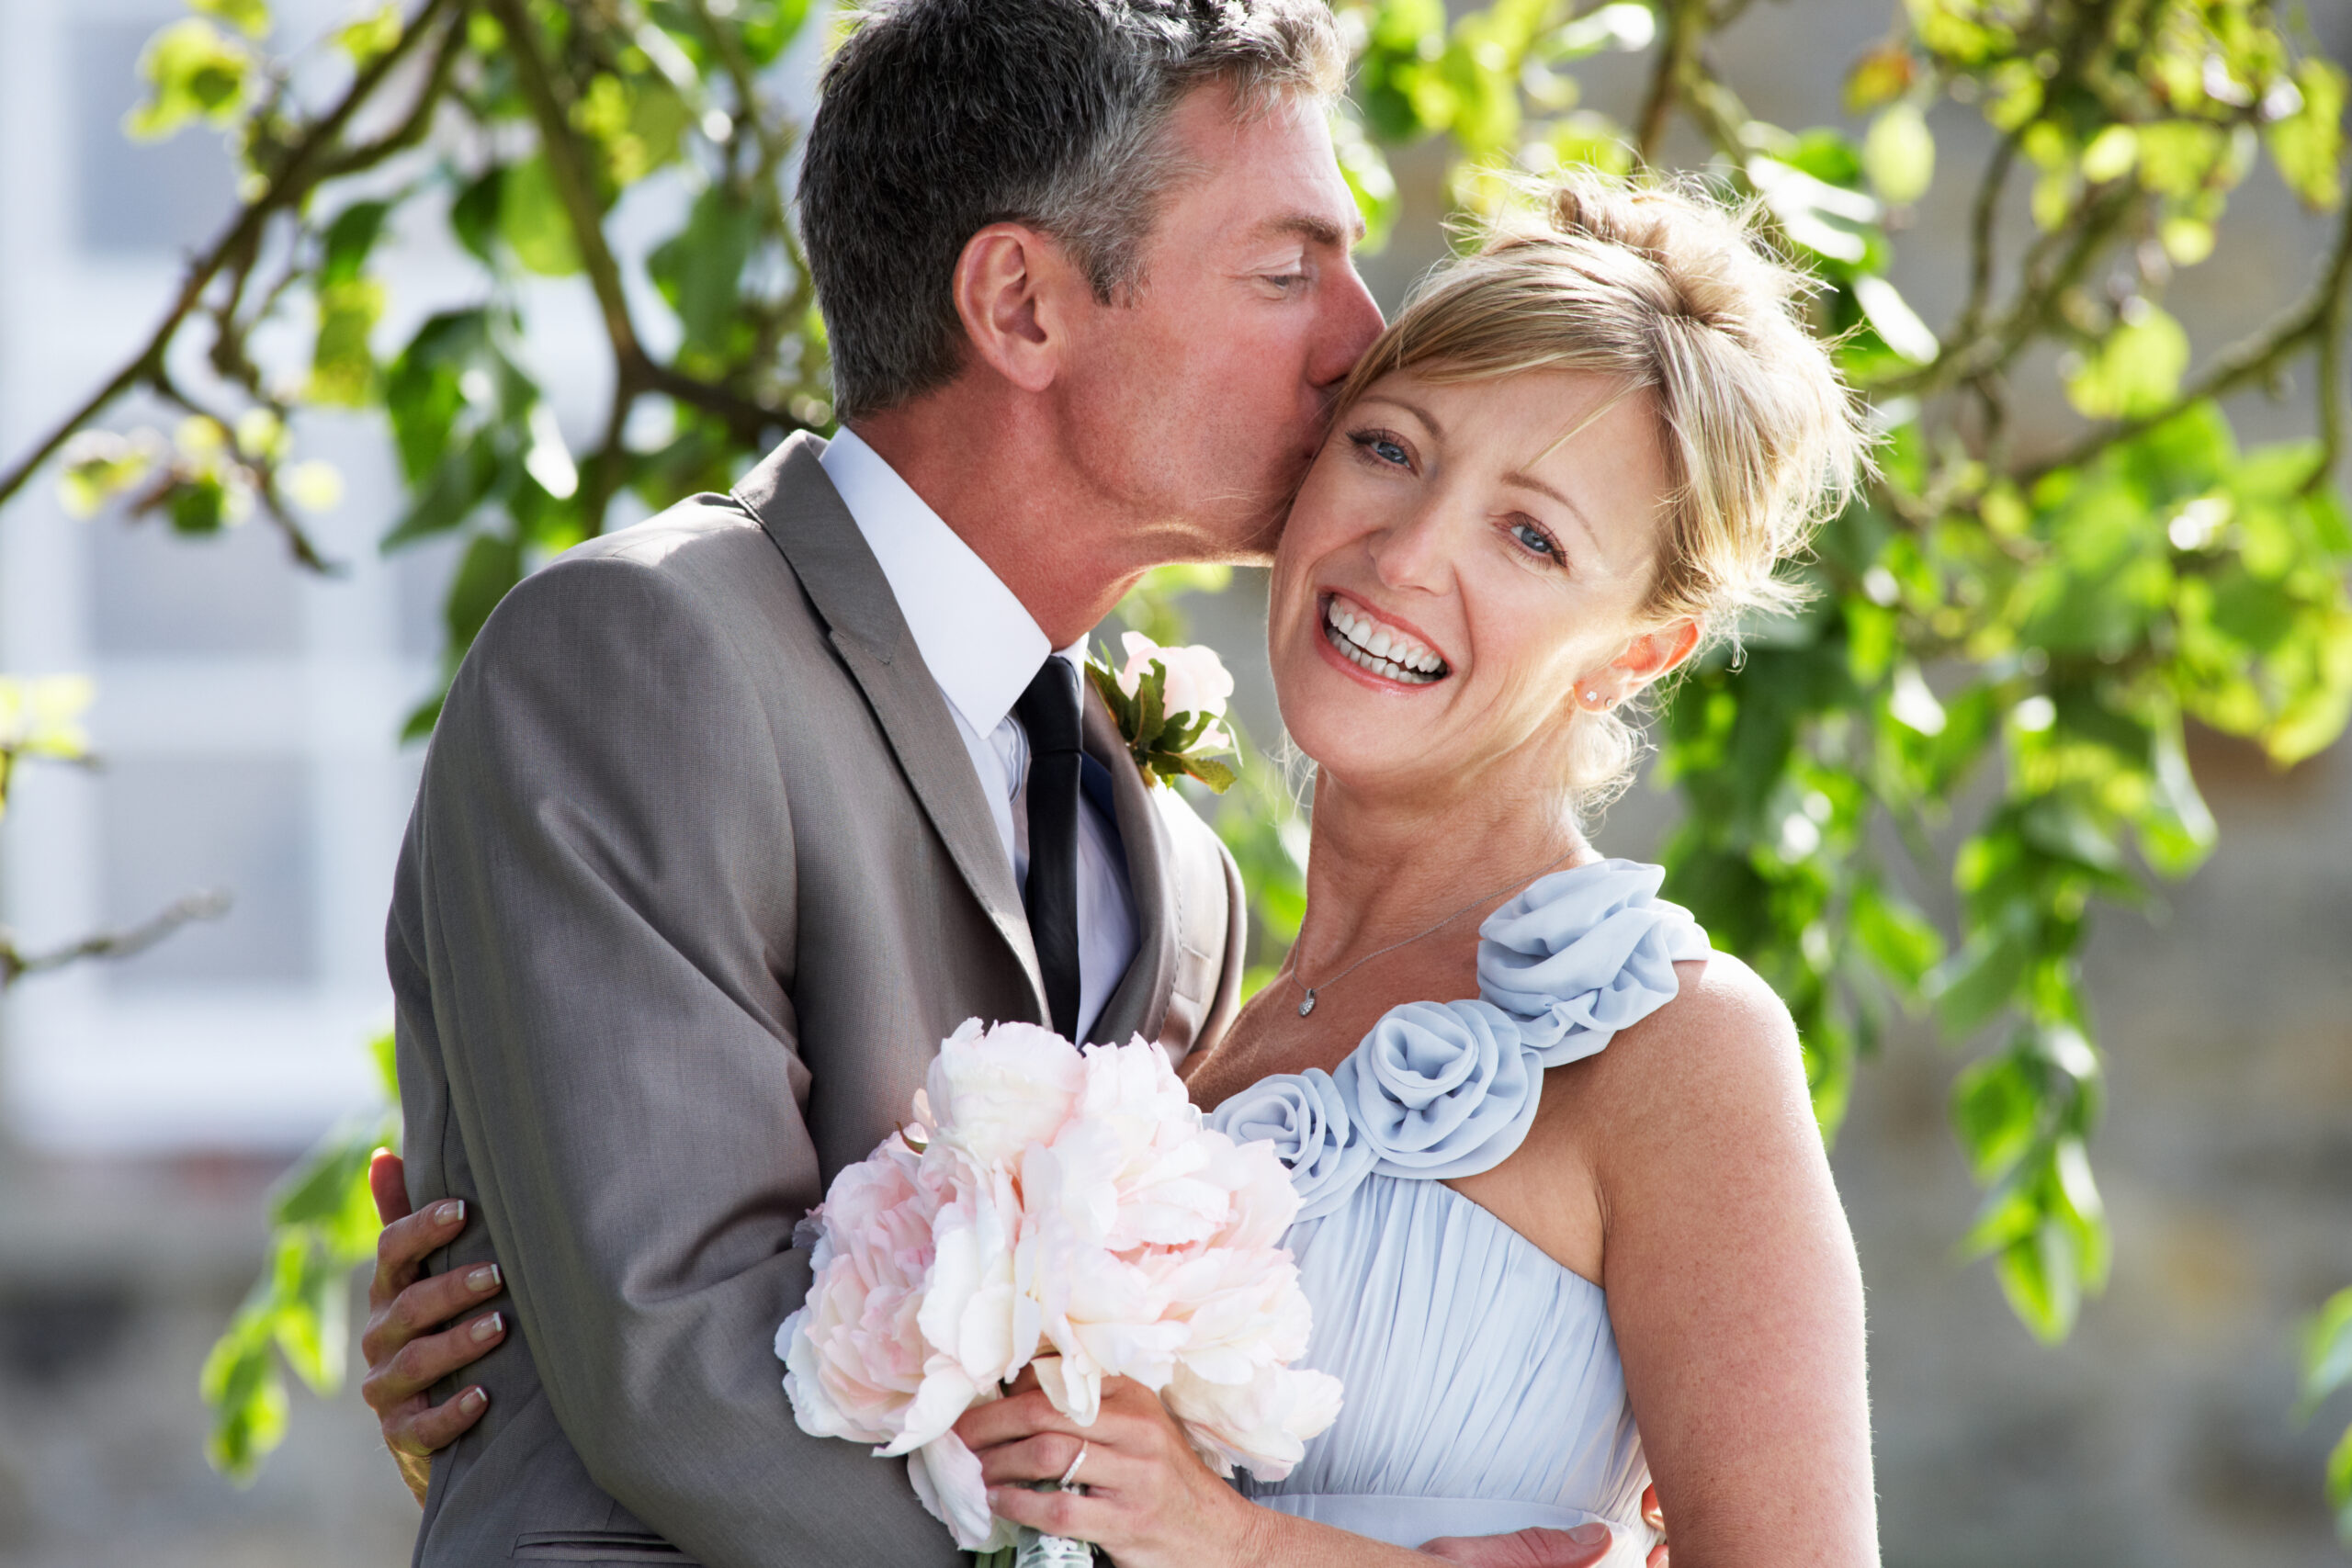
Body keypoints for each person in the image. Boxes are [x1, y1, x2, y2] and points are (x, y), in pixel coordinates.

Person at [371, 168, 1878, 1566]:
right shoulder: (1183, 976)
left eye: (1532, 539)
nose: (1410, 553)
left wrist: (1247, 1547)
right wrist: (535, 1354)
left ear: (1642, 652)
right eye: (1389, 448)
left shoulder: (1677, 1048)